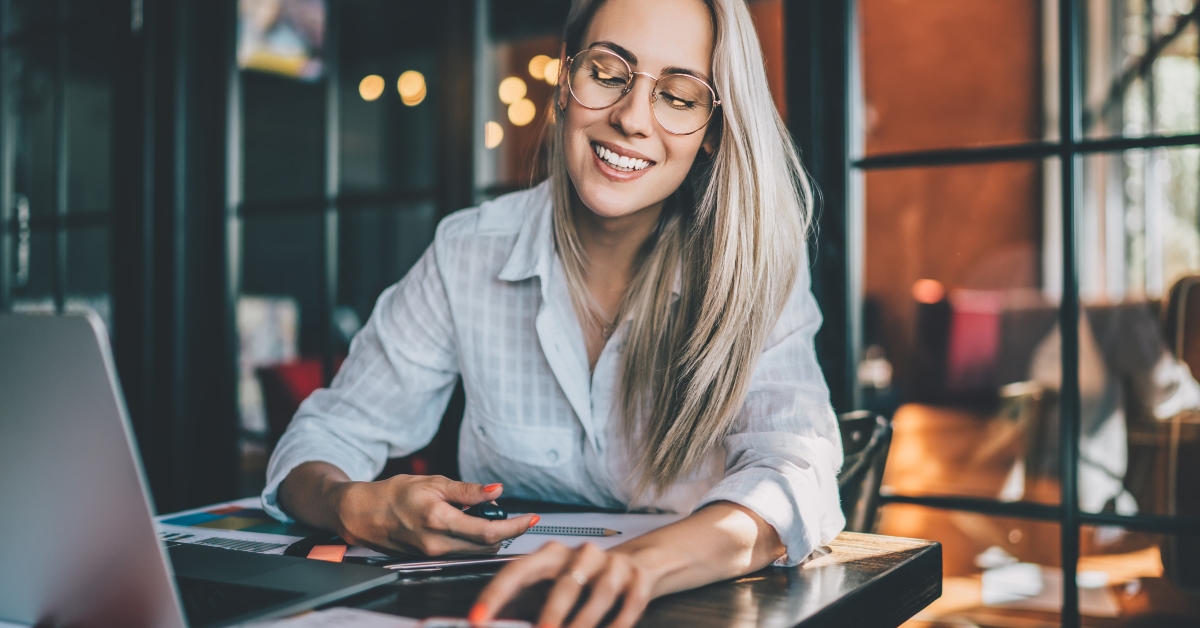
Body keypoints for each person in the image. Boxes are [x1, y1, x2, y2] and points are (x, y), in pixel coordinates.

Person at [263, 0, 844, 625]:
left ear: (712, 131)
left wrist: (642, 564)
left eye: (679, 95)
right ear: (566, 81)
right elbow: (322, 439)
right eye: (607, 71)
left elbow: (796, 473)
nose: (630, 118)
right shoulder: (468, 251)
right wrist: (351, 504)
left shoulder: (753, 270)